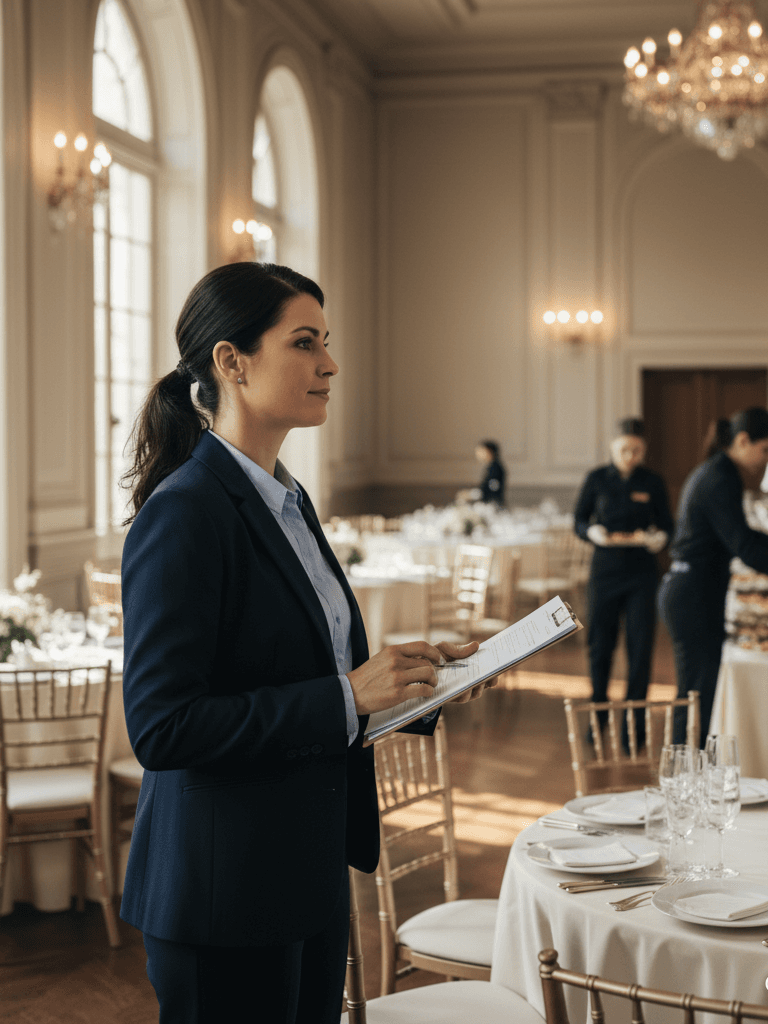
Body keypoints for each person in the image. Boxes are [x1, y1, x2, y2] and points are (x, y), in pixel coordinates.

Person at [118, 263, 492, 1024]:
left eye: (327, 343)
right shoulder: (186, 512)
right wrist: (348, 695)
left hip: (305, 870)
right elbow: (163, 727)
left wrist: (419, 684)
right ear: (232, 361)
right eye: (304, 343)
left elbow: (310, 674)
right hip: (224, 889)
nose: (328, 364)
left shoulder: (288, 499)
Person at [658, 409, 768, 744]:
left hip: (693, 590)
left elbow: (743, 535)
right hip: (691, 594)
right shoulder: (720, 477)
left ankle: (692, 771)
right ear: (742, 441)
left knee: (700, 690)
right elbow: (746, 550)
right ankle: (684, 773)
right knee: (696, 693)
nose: (767, 459)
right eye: (765, 450)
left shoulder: (720, 471)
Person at [573, 418, 673, 747]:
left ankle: (635, 724)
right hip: (604, 571)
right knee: (600, 647)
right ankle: (599, 715)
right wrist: (592, 532)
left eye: (637, 450)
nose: (630, 455)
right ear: (613, 449)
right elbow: (578, 520)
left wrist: (659, 537)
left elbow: (668, 525)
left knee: (640, 649)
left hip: (642, 572)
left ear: (644, 451)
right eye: (624, 449)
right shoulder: (597, 479)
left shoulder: (653, 481)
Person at [476, 439, 506, 506]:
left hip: (492, 505)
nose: (477, 454)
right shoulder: (491, 467)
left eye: (480, 451)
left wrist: (472, 494)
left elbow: (491, 489)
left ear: (488, 451)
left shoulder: (495, 468)